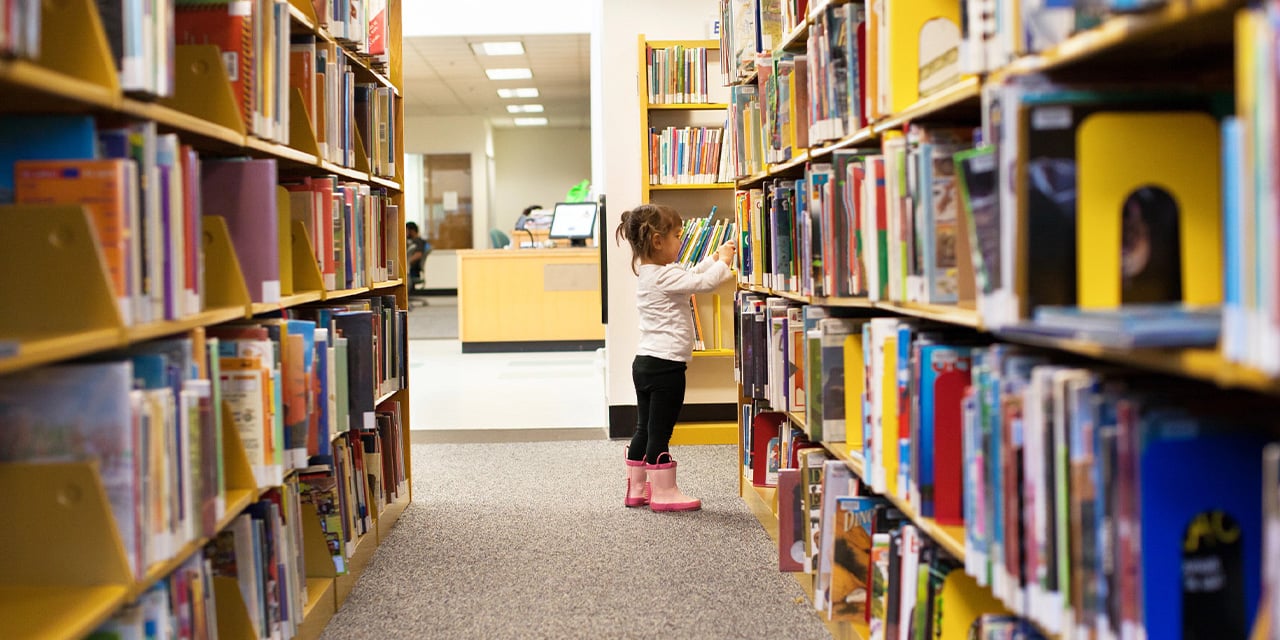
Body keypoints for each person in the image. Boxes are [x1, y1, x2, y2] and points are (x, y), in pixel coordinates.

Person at [615, 203, 736, 511]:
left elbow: (692, 274)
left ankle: (637, 489)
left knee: (644, 428)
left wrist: (712, 258)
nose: (681, 241)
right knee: (660, 431)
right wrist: (723, 263)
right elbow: (705, 283)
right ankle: (664, 494)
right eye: (678, 235)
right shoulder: (664, 277)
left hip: (645, 363)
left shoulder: (654, 274)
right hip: (666, 367)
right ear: (658, 241)